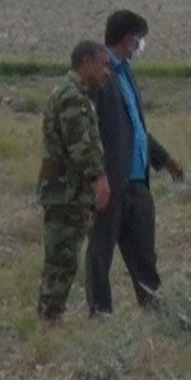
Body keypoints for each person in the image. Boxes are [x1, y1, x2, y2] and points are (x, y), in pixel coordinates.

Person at [87, 9, 184, 315]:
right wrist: (97, 176)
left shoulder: (126, 74)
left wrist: (165, 160)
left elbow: (137, 130)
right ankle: (99, 315)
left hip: (138, 183)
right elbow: (90, 133)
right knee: (101, 253)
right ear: (129, 39)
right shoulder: (101, 76)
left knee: (144, 253)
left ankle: (155, 312)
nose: (140, 46)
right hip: (111, 184)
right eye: (139, 39)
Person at [38, 41, 113, 322]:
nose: (107, 72)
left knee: (64, 260)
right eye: (103, 65)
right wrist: (99, 178)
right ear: (86, 63)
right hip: (64, 193)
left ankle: (50, 317)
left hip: (67, 192)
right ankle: (49, 320)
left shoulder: (78, 94)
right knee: (61, 261)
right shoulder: (71, 96)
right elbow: (80, 147)